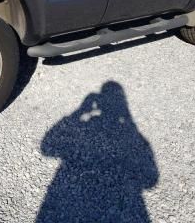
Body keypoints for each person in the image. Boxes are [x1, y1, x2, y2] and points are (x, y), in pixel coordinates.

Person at [37, 82, 159, 223]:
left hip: (64, 200)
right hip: (126, 208)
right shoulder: (134, 135)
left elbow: (46, 147)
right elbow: (150, 180)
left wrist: (79, 112)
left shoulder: (132, 134)